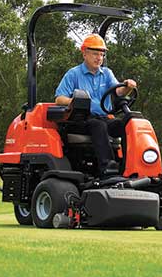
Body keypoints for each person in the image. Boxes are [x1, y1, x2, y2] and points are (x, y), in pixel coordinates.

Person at [55, 34, 137, 178]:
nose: (99, 58)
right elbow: (59, 99)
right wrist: (78, 101)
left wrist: (128, 87)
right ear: (84, 53)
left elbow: (118, 91)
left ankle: (129, 164)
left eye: (101, 54)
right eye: (95, 54)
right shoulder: (73, 74)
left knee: (127, 124)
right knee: (98, 125)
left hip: (104, 117)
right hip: (80, 120)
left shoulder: (106, 73)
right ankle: (108, 167)